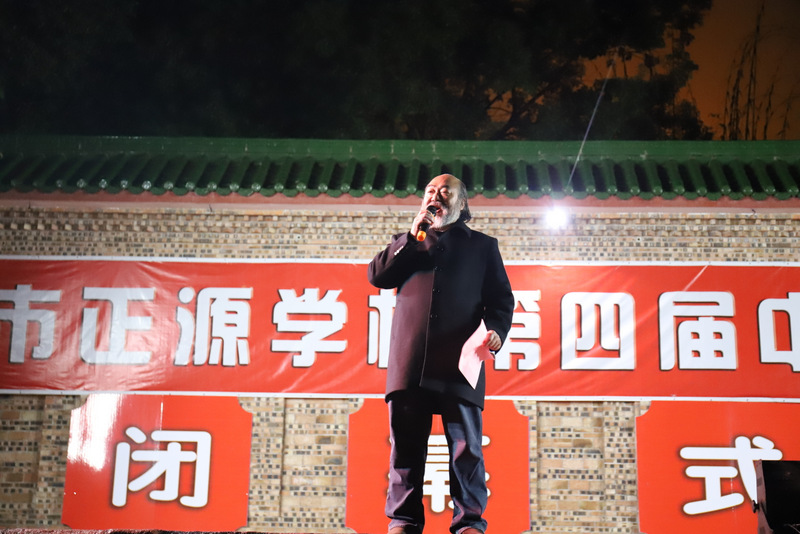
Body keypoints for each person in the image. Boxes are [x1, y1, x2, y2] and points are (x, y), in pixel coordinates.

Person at [367, 174, 515, 534]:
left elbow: (501, 300)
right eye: (430, 191)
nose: (436, 196)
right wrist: (411, 236)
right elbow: (378, 276)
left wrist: (496, 330)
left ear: (461, 204)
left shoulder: (483, 247)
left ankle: (469, 523)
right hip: (411, 360)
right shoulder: (408, 243)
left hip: (460, 362)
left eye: (445, 191)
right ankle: (403, 520)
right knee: (405, 446)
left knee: (466, 449)